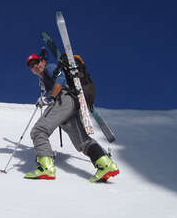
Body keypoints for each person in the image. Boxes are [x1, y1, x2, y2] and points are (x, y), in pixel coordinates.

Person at [25, 54, 119, 182]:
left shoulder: (50, 67)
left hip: (63, 101)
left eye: (36, 62)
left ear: (43, 61)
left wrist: (49, 97)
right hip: (71, 106)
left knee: (39, 130)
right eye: (31, 65)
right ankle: (105, 164)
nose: (35, 66)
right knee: (82, 141)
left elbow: (61, 79)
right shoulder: (44, 78)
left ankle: (46, 167)